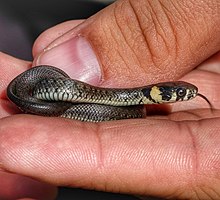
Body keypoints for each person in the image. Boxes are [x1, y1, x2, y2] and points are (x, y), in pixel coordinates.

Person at [0, 0, 220, 199]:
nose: (184, 96)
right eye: (179, 94)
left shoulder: (136, 103)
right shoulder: (129, 97)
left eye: (181, 94)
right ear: (157, 92)